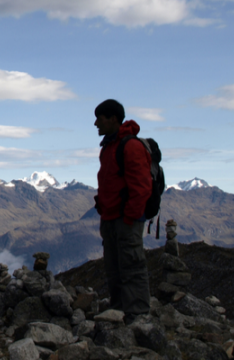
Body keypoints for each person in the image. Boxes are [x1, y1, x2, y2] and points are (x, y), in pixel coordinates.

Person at [93, 99, 152, 323]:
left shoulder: (131, 146)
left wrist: (129, 217)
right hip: (110, 217)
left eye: (100, 118)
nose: (96, 123)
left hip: (125, 219)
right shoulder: (108, 147)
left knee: (132, 264)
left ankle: (137, 315)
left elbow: (141, 187)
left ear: (113, 119)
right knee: (114, 267)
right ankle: (118, 310)